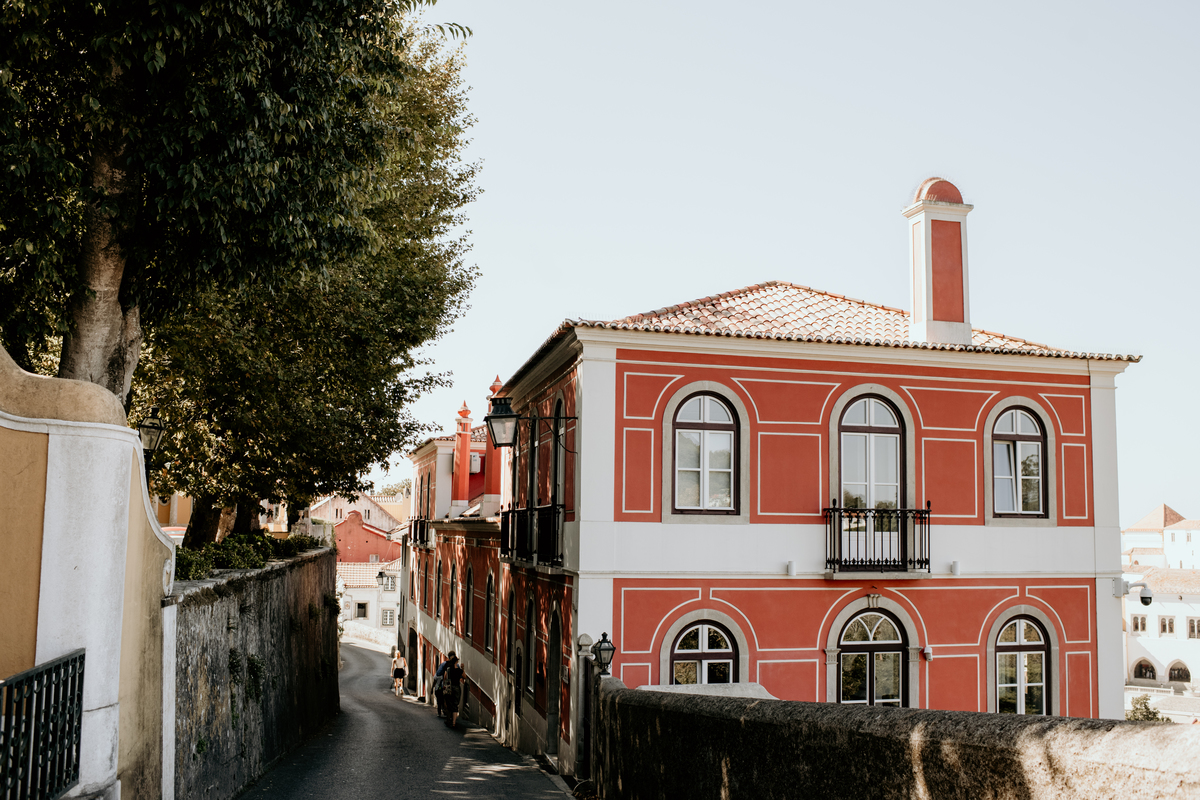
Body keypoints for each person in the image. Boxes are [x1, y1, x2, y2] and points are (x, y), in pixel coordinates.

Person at [445, 653, 466, 729]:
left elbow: (445, 677)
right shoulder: (459, 671)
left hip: (449, 688)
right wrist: (463, 668)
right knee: (455, 705)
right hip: (456, 688)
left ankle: (448, 720)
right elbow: (464, 677)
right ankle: (454, 723)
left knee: (449, 704)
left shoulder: (448, 669)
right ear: (456, 662)